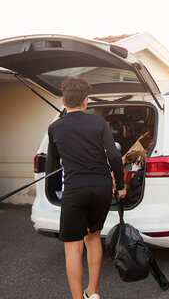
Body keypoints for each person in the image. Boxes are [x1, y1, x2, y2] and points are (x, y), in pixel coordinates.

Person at [46, 78, 126, 299]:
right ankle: (93, 291)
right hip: (101, 187)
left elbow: (53, 164)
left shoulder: (55, 128)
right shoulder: (99, 123)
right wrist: (120, 186)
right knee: (93, 238)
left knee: (73, 247)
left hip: (75, 189)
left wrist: (54, 192)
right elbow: (115, 156)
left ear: (63, 101)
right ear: (86, 101)